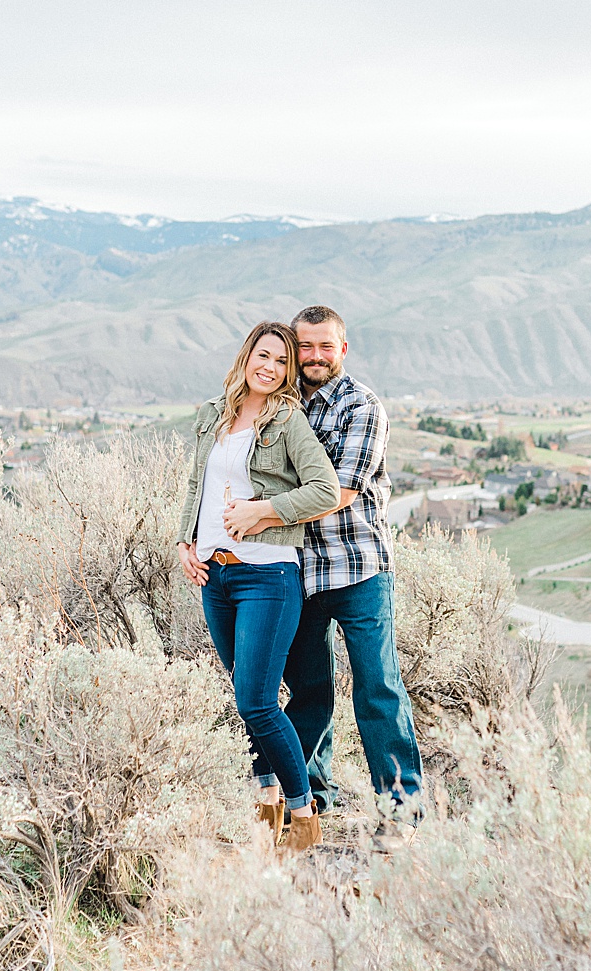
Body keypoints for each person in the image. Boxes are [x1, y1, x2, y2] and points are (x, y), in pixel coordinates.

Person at [222, 305, 423, 840]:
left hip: (358, 568)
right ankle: (311, 797)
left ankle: (400, 811)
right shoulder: (281, 409)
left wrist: (262, 511)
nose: (313, 357)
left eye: (323, 347)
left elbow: (341, 491)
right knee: (309, 690)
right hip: (298, 573)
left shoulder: (362, 406)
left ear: (343, 349)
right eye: (303, 347)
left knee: (377, 687)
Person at [176, 321, 341, 853]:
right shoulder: (212, 415)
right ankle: (266, 798)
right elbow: (196, 484)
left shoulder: (288, 421)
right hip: (215, 574)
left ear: (289, 373)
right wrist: (186, 541)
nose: (269, 368)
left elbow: (325, 489)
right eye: (263, 356)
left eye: (282, 362)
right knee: (246, 696)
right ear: (247, 356)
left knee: (257, 702)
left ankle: (301, 811)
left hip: (268, 573)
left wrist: (266, 511)